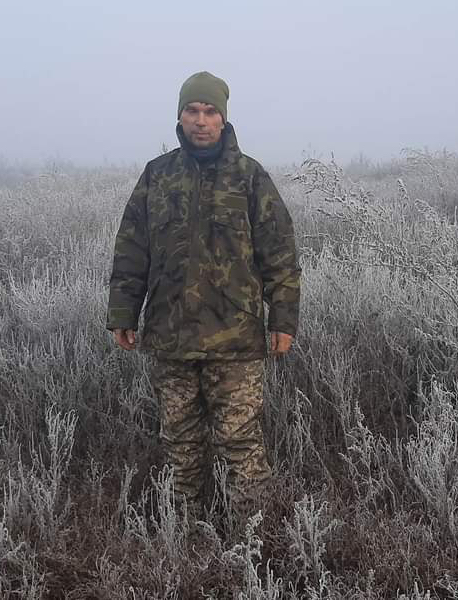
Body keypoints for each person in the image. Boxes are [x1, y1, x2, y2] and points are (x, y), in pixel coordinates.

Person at [106, 71, 301, 518]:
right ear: (179, 116)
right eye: (192, 110)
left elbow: (280, 254)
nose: (201, 120)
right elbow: (132, 248)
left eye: (210, 111)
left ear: (223, 118)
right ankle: (186, 535)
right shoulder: (157, 176)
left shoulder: (250, 177)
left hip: (235, 340)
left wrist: (283, 320)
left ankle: (253, 540)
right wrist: (123, 312)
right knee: (180, 443)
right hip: (170, 337)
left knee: (241, 444)